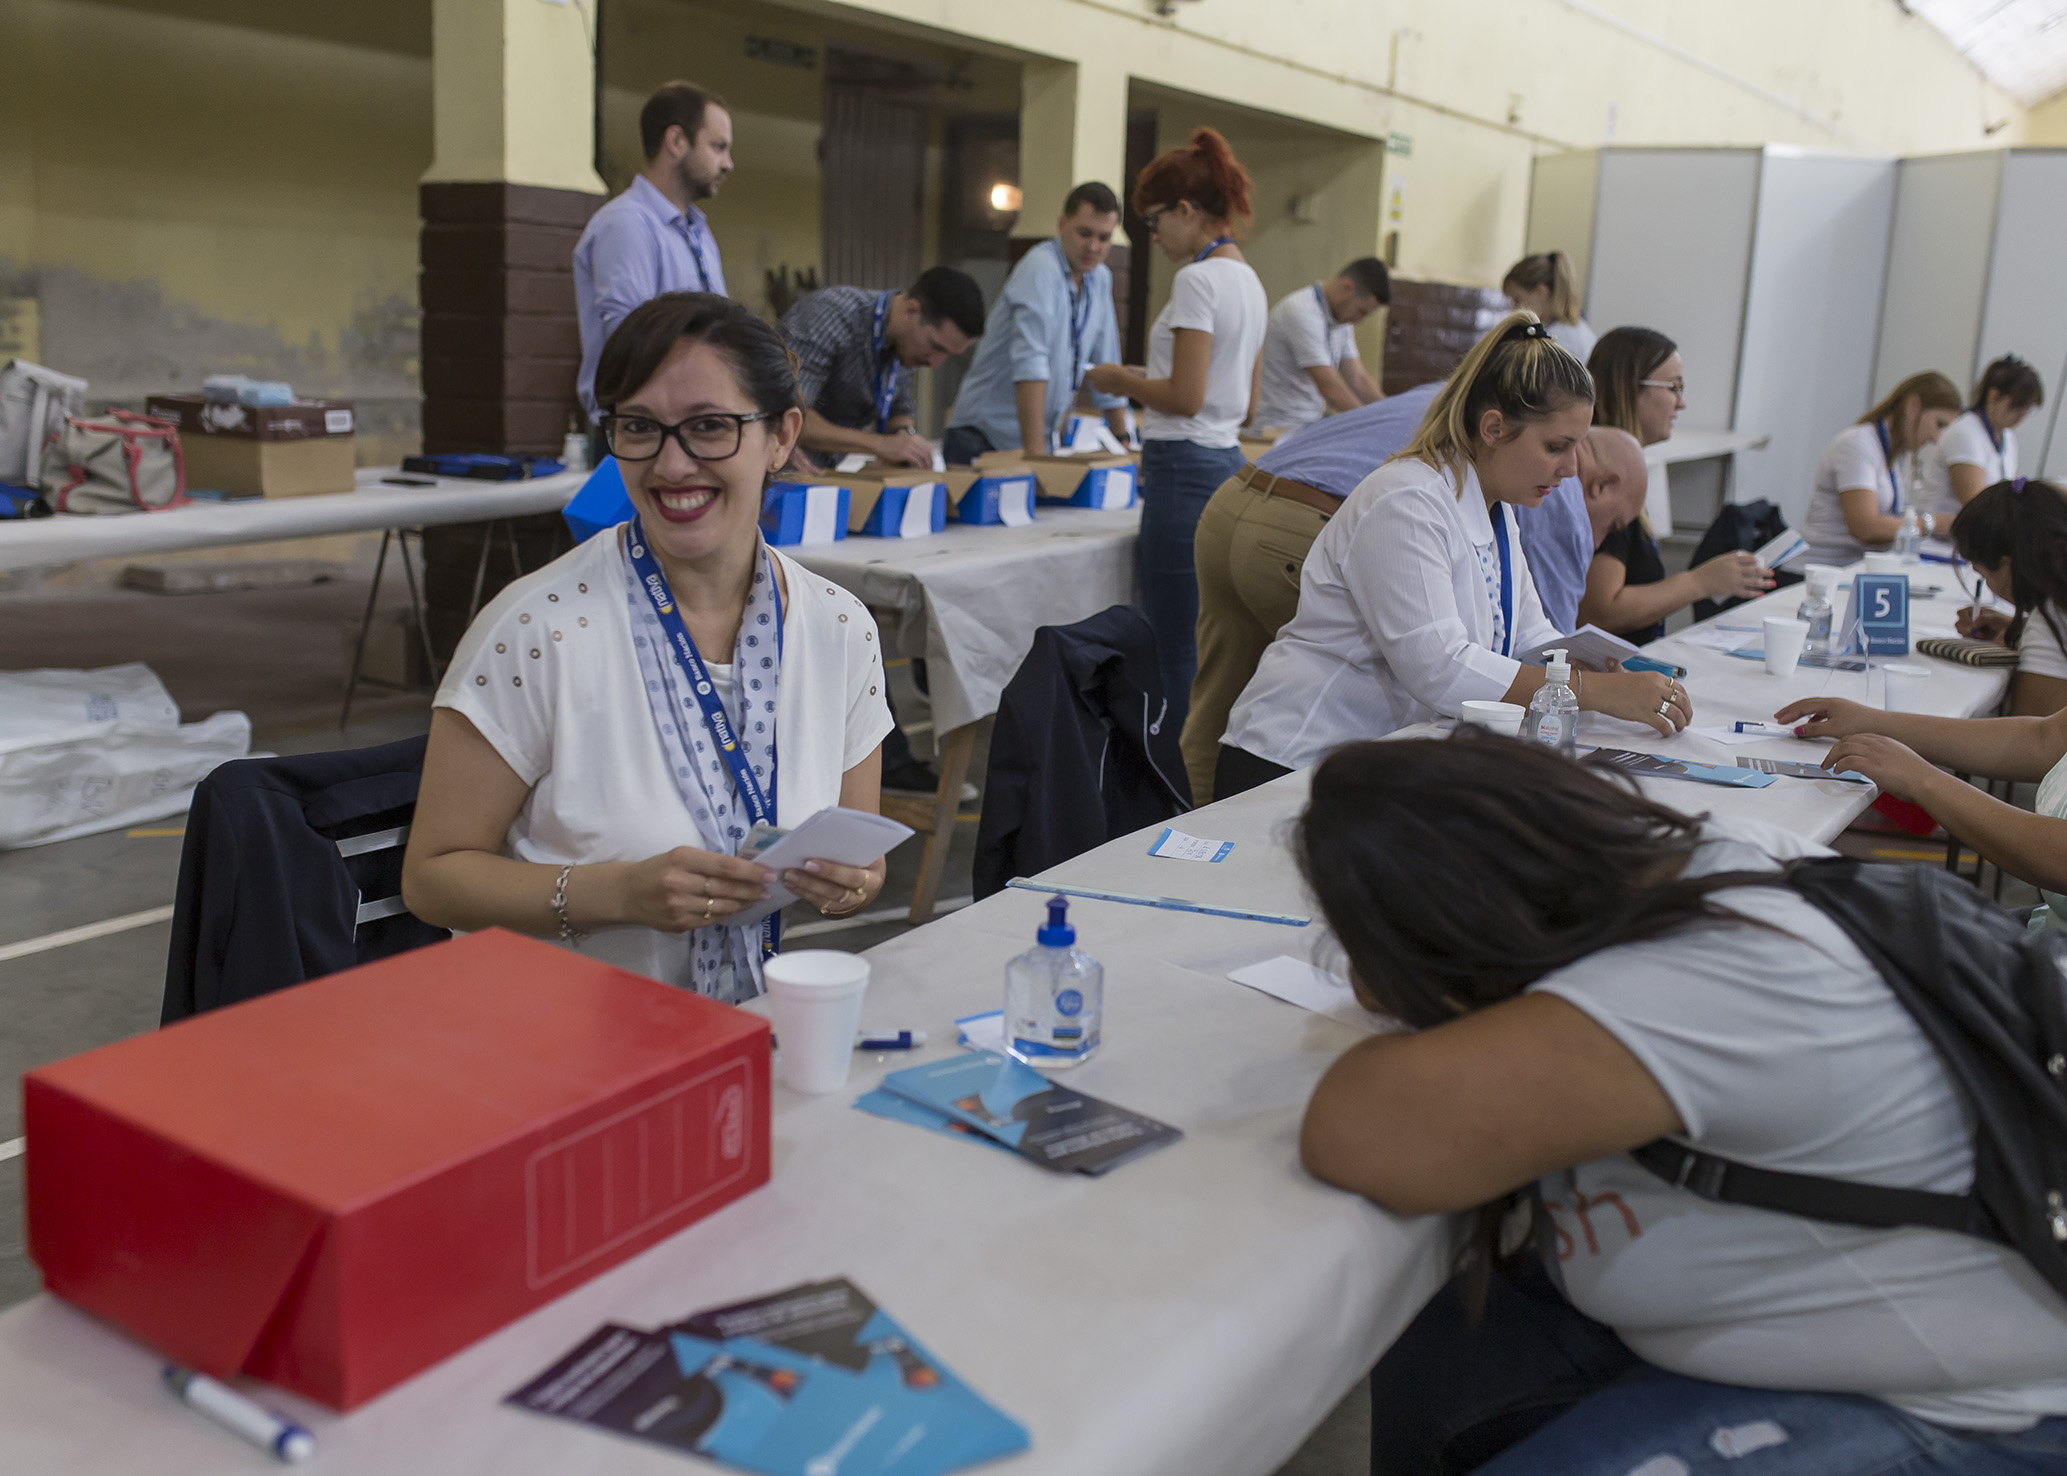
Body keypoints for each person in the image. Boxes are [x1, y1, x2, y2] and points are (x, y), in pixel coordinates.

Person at [1296, 735, 2067, 1474]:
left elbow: (1357, 1131)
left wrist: (1406, 964)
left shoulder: (1699, 978)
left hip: (1979, 1408)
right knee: (1444, 1334)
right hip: (1891, 1325)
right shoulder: (1714, 860)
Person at [402, 293, 895, 1003]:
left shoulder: (838, 629)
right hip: (554, 1036)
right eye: (639, 427)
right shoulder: (540, 632)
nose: (672, 464)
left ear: (782, 437)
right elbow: (432, 879)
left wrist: (848, 886)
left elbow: (863, 867)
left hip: (746, 1028)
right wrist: (618, 894)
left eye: (709, 426)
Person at [1214, 313, 1688, 800]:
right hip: (1293, 761)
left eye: (1576, 449)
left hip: (1369, 763)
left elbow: (1530, 637)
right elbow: (1439, 667)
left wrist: (1594, 669)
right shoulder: (1406, 500)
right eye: (1556, 447)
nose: (1570, 469)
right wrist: (1594, 693)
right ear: (1493, 428)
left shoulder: (1497, 510)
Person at [1775, 481, 2067, 889]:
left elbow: (2057, 851)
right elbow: (2045, 739)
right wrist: (1872, 720)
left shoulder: (2050, 619)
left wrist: (1924, 780)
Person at [1082, 127, 1267, 732]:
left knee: (1173, 646)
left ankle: (1176, 775)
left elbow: (1186, 398)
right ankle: (1199, 765)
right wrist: (1148, 379)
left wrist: (1118, 379)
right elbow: (1243, 403)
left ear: (1186, 210)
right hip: (1226, 462)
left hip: (1183, 468)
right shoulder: (1249, 281)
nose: (1153, 234)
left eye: (1154, 220)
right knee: (1205, 639)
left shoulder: (1197, 279)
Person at [1179, 381, 1442, 803]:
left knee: (1216, 700)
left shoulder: (1442, 395)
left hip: (1234, 499)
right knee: (1318, 685)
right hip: (1300, 519)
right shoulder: (1518, 439)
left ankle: (1177, 824)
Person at [1576, 327, 1769, 642]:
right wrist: (1700, 582)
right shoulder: (1605, 483)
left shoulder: (1622, 474)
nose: (1681, 403)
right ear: (1629, 389)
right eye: (1673, 387)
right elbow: (1599, 611)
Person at [575, 83, 734, 423]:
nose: (728, 164)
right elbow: (633, 343)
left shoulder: (698, 231)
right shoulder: (626, 224)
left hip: (687, 421)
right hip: (639, 428)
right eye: (718, 147)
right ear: (676, 141)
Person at [942, 182, 1129, 464]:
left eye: (1104, 238)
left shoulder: (1100, 278)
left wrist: (1123, 441)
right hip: (983, 436)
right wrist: (1038, 459)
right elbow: (1031, 363)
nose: (1093, 247)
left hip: (1033, 440)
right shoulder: (1040, 268)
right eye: (1084, 233)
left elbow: (1107, 362)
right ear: (1061, 224)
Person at [782, 267, 986, 469]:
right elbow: (788, 412)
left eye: (948, 354)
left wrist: (905, 438)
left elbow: (899, 409)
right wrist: (881, 444)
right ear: (912, 310)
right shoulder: (830, 316)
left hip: (820, 473)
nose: (935, 363)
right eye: (936, 346)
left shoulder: (904, 345)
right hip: (778, 471)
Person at [1800, 371, 1962, 567]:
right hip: (1820, 570)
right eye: (1939, 424)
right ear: (1913, 406)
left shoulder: (1900, 455)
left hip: (1857, 567)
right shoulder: (1857, 444)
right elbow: (1865, 527)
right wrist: (1933, 524)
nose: (1936, 438)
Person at [1248, 258, 1389, 437]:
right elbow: (1329, 387)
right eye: (1361, 311)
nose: (1359, 321)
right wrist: (1373, 424)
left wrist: (1392, 412)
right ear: (1347, 288)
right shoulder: (1302, 311)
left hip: (1306, 423)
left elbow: (1358, 378)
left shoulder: (1341, 320)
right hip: (1275, 427)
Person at [1914, 355, 2045, 522]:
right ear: (1993, 396)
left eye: (2027, 410)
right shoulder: (1965, 433)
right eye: (2016, 407)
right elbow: (1977, 506)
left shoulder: (2008, 437)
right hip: (1940, 533)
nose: (2021, 417)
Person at [1502, 251, 1596, 362]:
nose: (1513, 308)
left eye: (1517, 300)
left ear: (1541, 292)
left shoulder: (1557, 341)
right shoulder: (1581, 330)